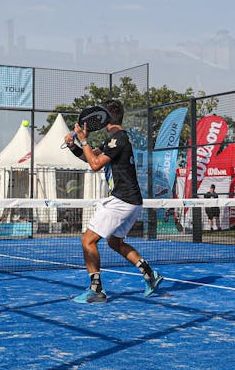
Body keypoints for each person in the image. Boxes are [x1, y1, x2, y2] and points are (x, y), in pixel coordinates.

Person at [65, 99, 163, 303]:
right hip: (132, 201)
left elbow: (94, 165)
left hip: (122, 200)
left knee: (88, 240)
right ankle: (150, 275)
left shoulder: (118, 139)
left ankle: (96, 290)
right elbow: (89, 157)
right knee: (115, 242)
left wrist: (83, 140)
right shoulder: (114, 141)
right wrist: (74, 146)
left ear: (106, 118)